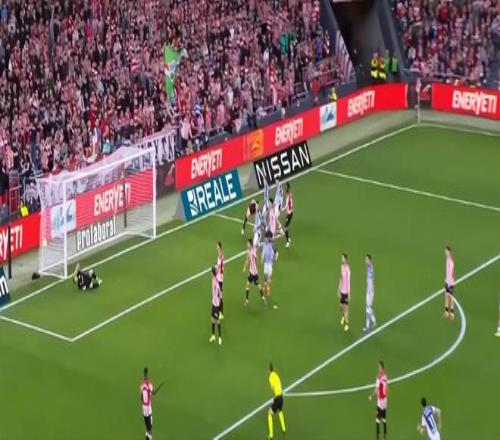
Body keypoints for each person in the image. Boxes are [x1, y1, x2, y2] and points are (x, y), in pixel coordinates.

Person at [140, 367, 163, 440]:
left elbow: (141, 396)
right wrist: (159, 387)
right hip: (147, 407)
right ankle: (149, 437)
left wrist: (143, 402)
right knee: (149, 426)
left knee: (148, 423)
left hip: (144, 406)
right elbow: (154, 393)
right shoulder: (149, 385)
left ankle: (148, 435)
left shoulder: (142, 385)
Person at [243, 239, 266, 306]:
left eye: (248, 244)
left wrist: (256, 265)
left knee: (258, 285)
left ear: (250, 244)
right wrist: (245, 267)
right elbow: (247, 260)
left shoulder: (253, 251)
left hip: (254, 273)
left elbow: (256, 259)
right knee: (248, 285)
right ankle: (247, 300)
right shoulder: (249, 251)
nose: (247, 245)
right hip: (251, 271)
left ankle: (263, 298)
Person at [267, 363, 286, 440]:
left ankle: (271, 435)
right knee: (280, 410)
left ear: (269, 370)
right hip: (281, 397)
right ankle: (284, 428)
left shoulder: (270, 377)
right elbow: (279, 384)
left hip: (277, 399)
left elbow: (272, 387)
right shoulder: (276, 375)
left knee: (269, 413)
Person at [369, 361, 388, 440]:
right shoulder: (385, 376)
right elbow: (386, 388)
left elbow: (376, 389)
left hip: (380, 400)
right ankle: (385, 434)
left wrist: (371, 396)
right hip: (385, 399)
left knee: (377, 418)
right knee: (384, 417)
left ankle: (377, 436)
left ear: (381, 367)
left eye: (379, 367)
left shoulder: (379, 377)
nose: (378, 368)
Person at [262, 232, 278, 306]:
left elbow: (275, 253)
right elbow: (263, 252)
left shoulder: (271, 245)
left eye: (266, 238)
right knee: (265, 276)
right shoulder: (265, 245)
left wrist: (274, 258)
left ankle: (267, 288)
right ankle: (266, 286)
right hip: (266, 263)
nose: (264, 239)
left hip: (269, 264)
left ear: (268, 238)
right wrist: (262, 258)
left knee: (268, 277)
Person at [209, 266, 223, 345]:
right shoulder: (213, 280)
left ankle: (220, 337)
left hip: (216, 304)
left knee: (217, 321)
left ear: (212, 273)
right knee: (212, 319)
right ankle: (213, 335)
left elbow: (220, 294)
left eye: (211, 272)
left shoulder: (216, 283)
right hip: (213, 303)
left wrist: (218, 301)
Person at [338, 253, 351, 331]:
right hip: (342, 291)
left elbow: (348, 282)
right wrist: (339, 289)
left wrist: (349, 294)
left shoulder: (348, 269)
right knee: (341, 306)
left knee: (346, 309)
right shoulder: (341, 267)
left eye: (343, 258)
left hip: (346, 292)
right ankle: (343, 316)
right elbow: (341, 278)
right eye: (341, 258)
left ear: (346, 259)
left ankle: (347, 324)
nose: (341, 259)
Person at [364, 254, 377, 332]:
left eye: (366, 259)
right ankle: (374, 321)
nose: (365, 261)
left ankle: (367, 326)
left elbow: (371, 281)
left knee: (368, 309)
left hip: (370, 291)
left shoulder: (370, 268)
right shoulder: (368, 267)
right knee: (368, 308)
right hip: (368, 290)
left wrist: (370, 292)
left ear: (369, 260)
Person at [444, 246, 455, 320]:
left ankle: (452, 313)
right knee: (446, 296)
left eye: (446, 251)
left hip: (450, 282)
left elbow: (451, 273)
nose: (445, 252)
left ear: (449, 252)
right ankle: (446, 312)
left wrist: (450, 282)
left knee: (450, 297)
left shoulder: (451, 262)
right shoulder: (447, 259)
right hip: (447, 280)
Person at [216, 241, 225, 320]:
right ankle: (220, 312)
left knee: (220, 295)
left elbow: (220, 267)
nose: (216, 247)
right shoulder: (220, 254)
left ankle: (221, 313)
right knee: (219, 295)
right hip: (219, 277)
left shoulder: (220, 255)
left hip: (220, 278)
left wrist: (215, 273)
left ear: (219, 246)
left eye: (217, 246)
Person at [284, 183, 293, 248]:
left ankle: (287, 241)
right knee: (286, 226)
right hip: (290, 213)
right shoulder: (290, 195)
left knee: (285, 228)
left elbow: (286, 206)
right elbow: (289, 189)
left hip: (289, 214)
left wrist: (281, 208)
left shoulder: (288, 197)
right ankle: (288, 239)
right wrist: (288, 185)